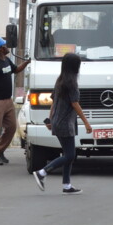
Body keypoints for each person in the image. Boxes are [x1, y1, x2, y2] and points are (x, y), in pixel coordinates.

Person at [32, 53, 92, 194]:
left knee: (68, 153)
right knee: (70, 155)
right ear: (74, 66)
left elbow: (54, 103)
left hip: (59, 121)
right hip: (65, 123)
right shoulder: (71, 83)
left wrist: (50, 119)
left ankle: (66, 185)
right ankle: (42, 173)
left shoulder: (60, 81)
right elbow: (75, 104)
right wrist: (87, 123)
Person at [0, 37, 29, 166]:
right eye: (4, 45)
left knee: (11, 127)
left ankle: (0, 151)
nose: (7, 46)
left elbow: (16, 70)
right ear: (0, 49)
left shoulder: (7, 60)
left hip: (8, 101)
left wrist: (27, 63)